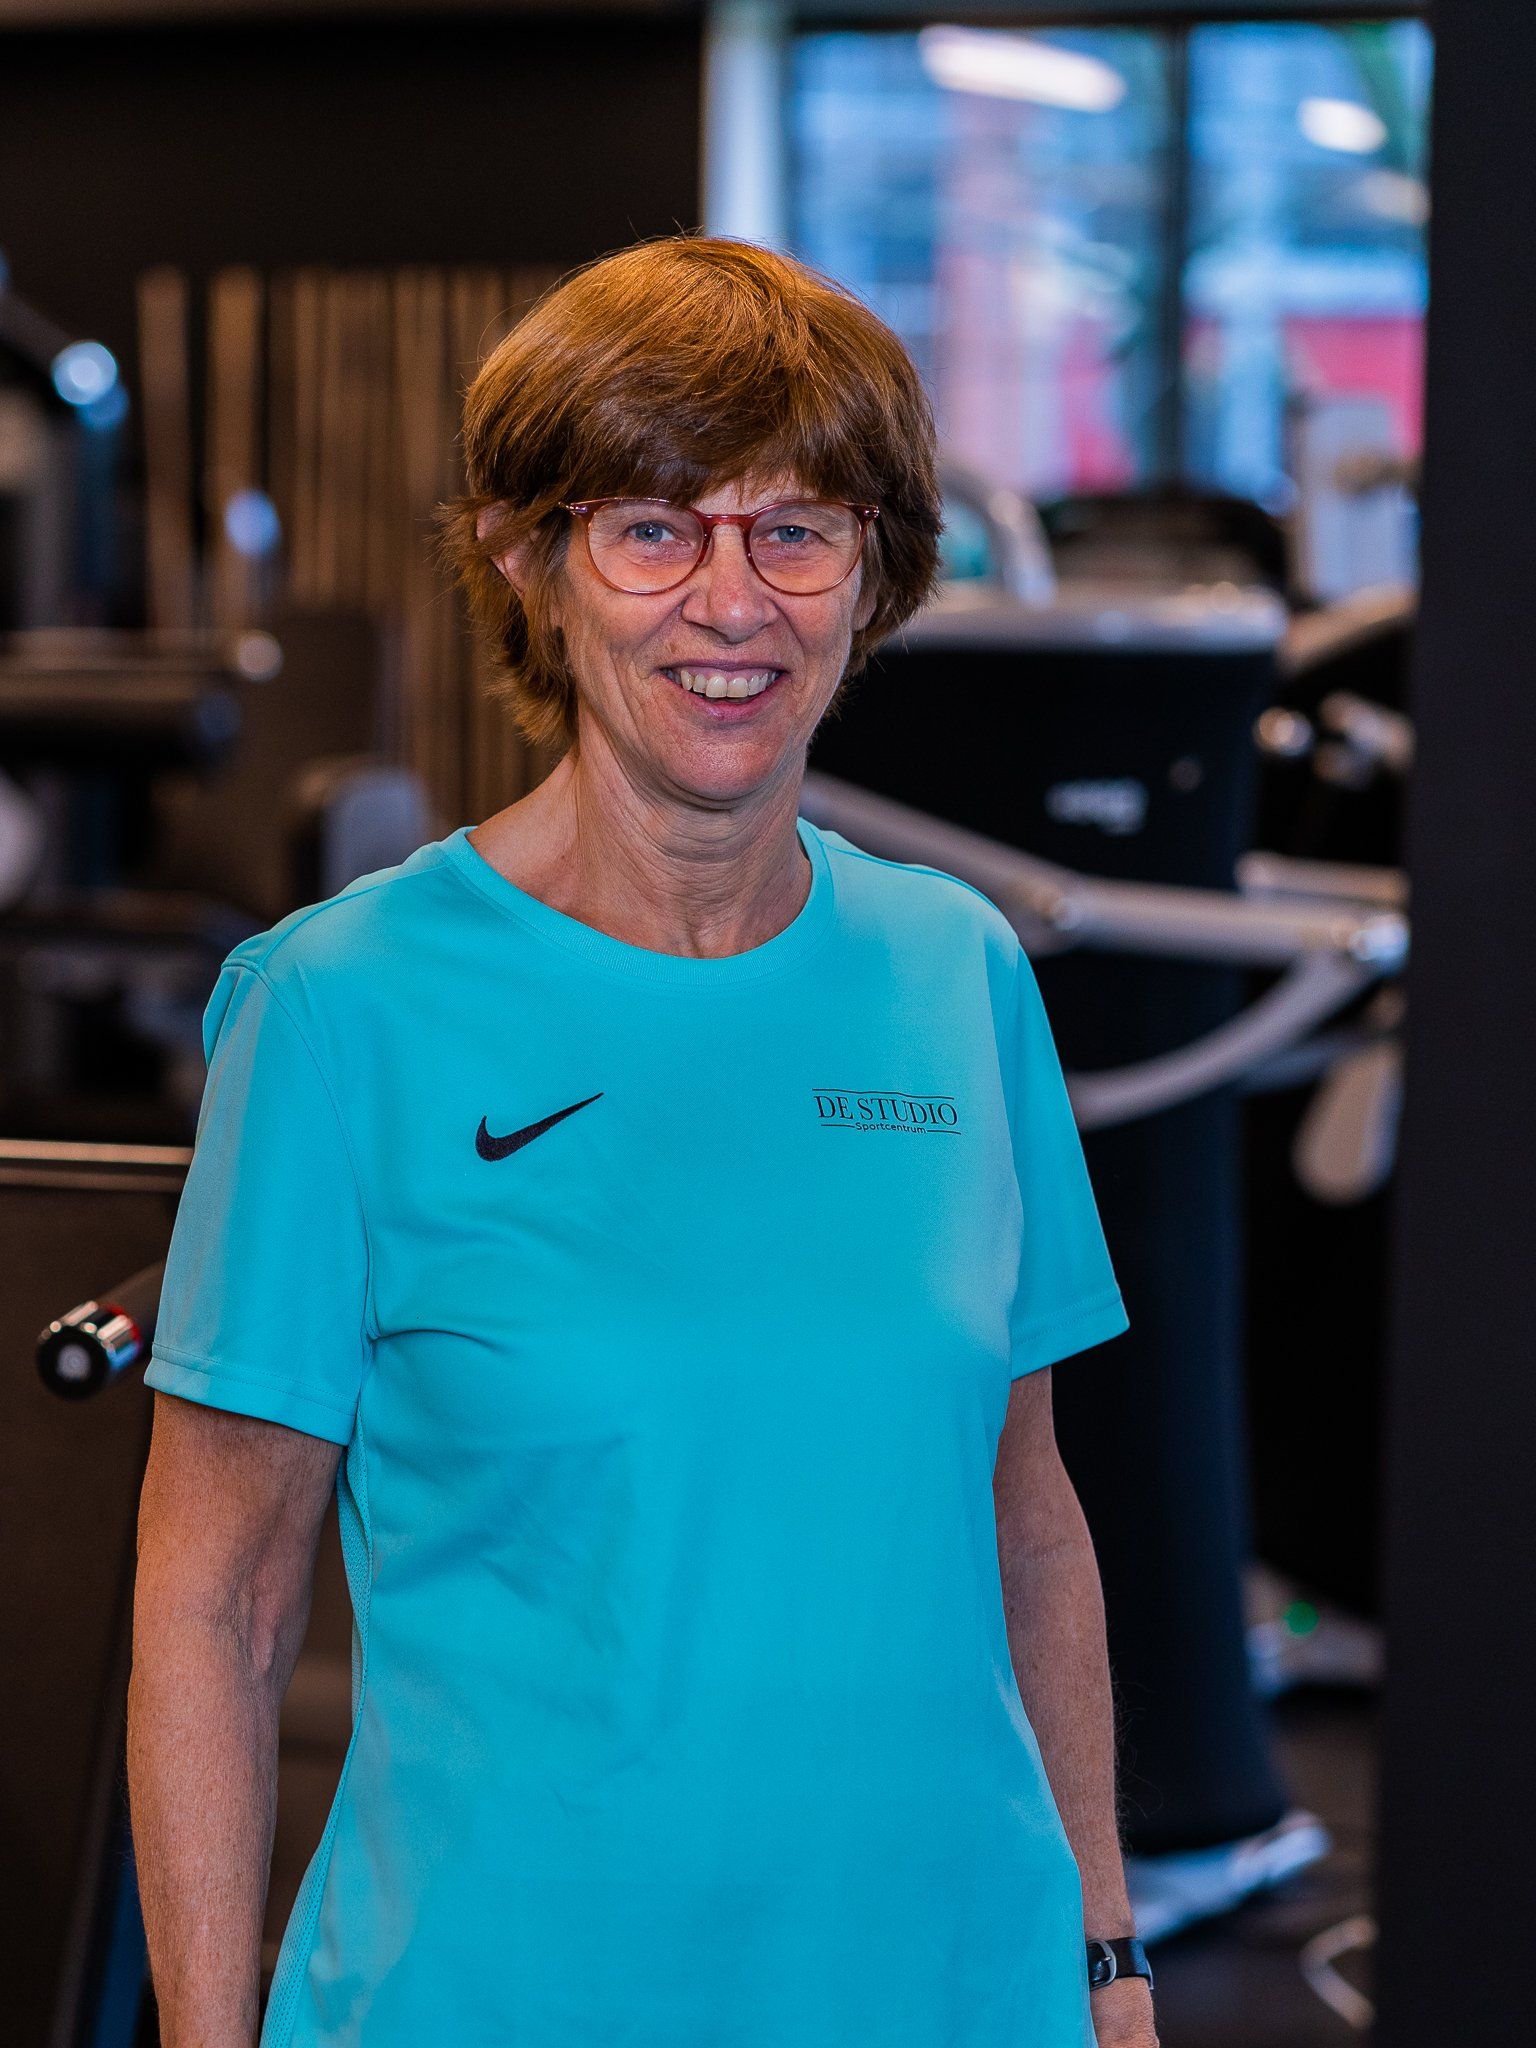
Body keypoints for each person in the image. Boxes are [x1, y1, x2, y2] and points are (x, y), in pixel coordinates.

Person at [127, 235, 1154, 2048]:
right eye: (653, 527)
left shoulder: (958, 974)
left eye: (798, 528)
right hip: (504, 1993)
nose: (731, 600)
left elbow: (1029, 1516)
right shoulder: (342, 1005)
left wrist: (1106, 1954)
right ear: (531, 563)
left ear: (873, 579)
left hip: (952, 1988)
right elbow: (214, 1604)